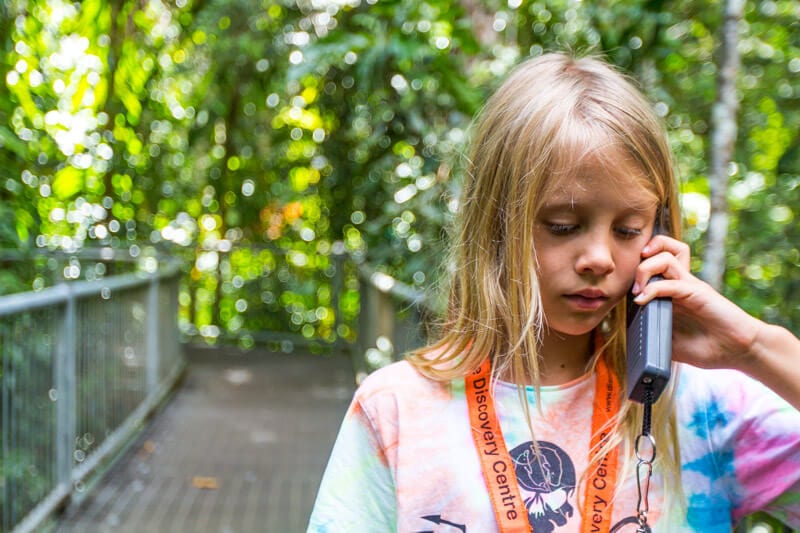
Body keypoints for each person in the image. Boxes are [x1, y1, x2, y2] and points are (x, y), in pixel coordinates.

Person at [307, 52, 800, 532]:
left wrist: (755, 348)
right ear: (495, 228)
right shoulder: (397, 409)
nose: (600, 258)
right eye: (564, 226)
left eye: (628, 230)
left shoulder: (703, 405)